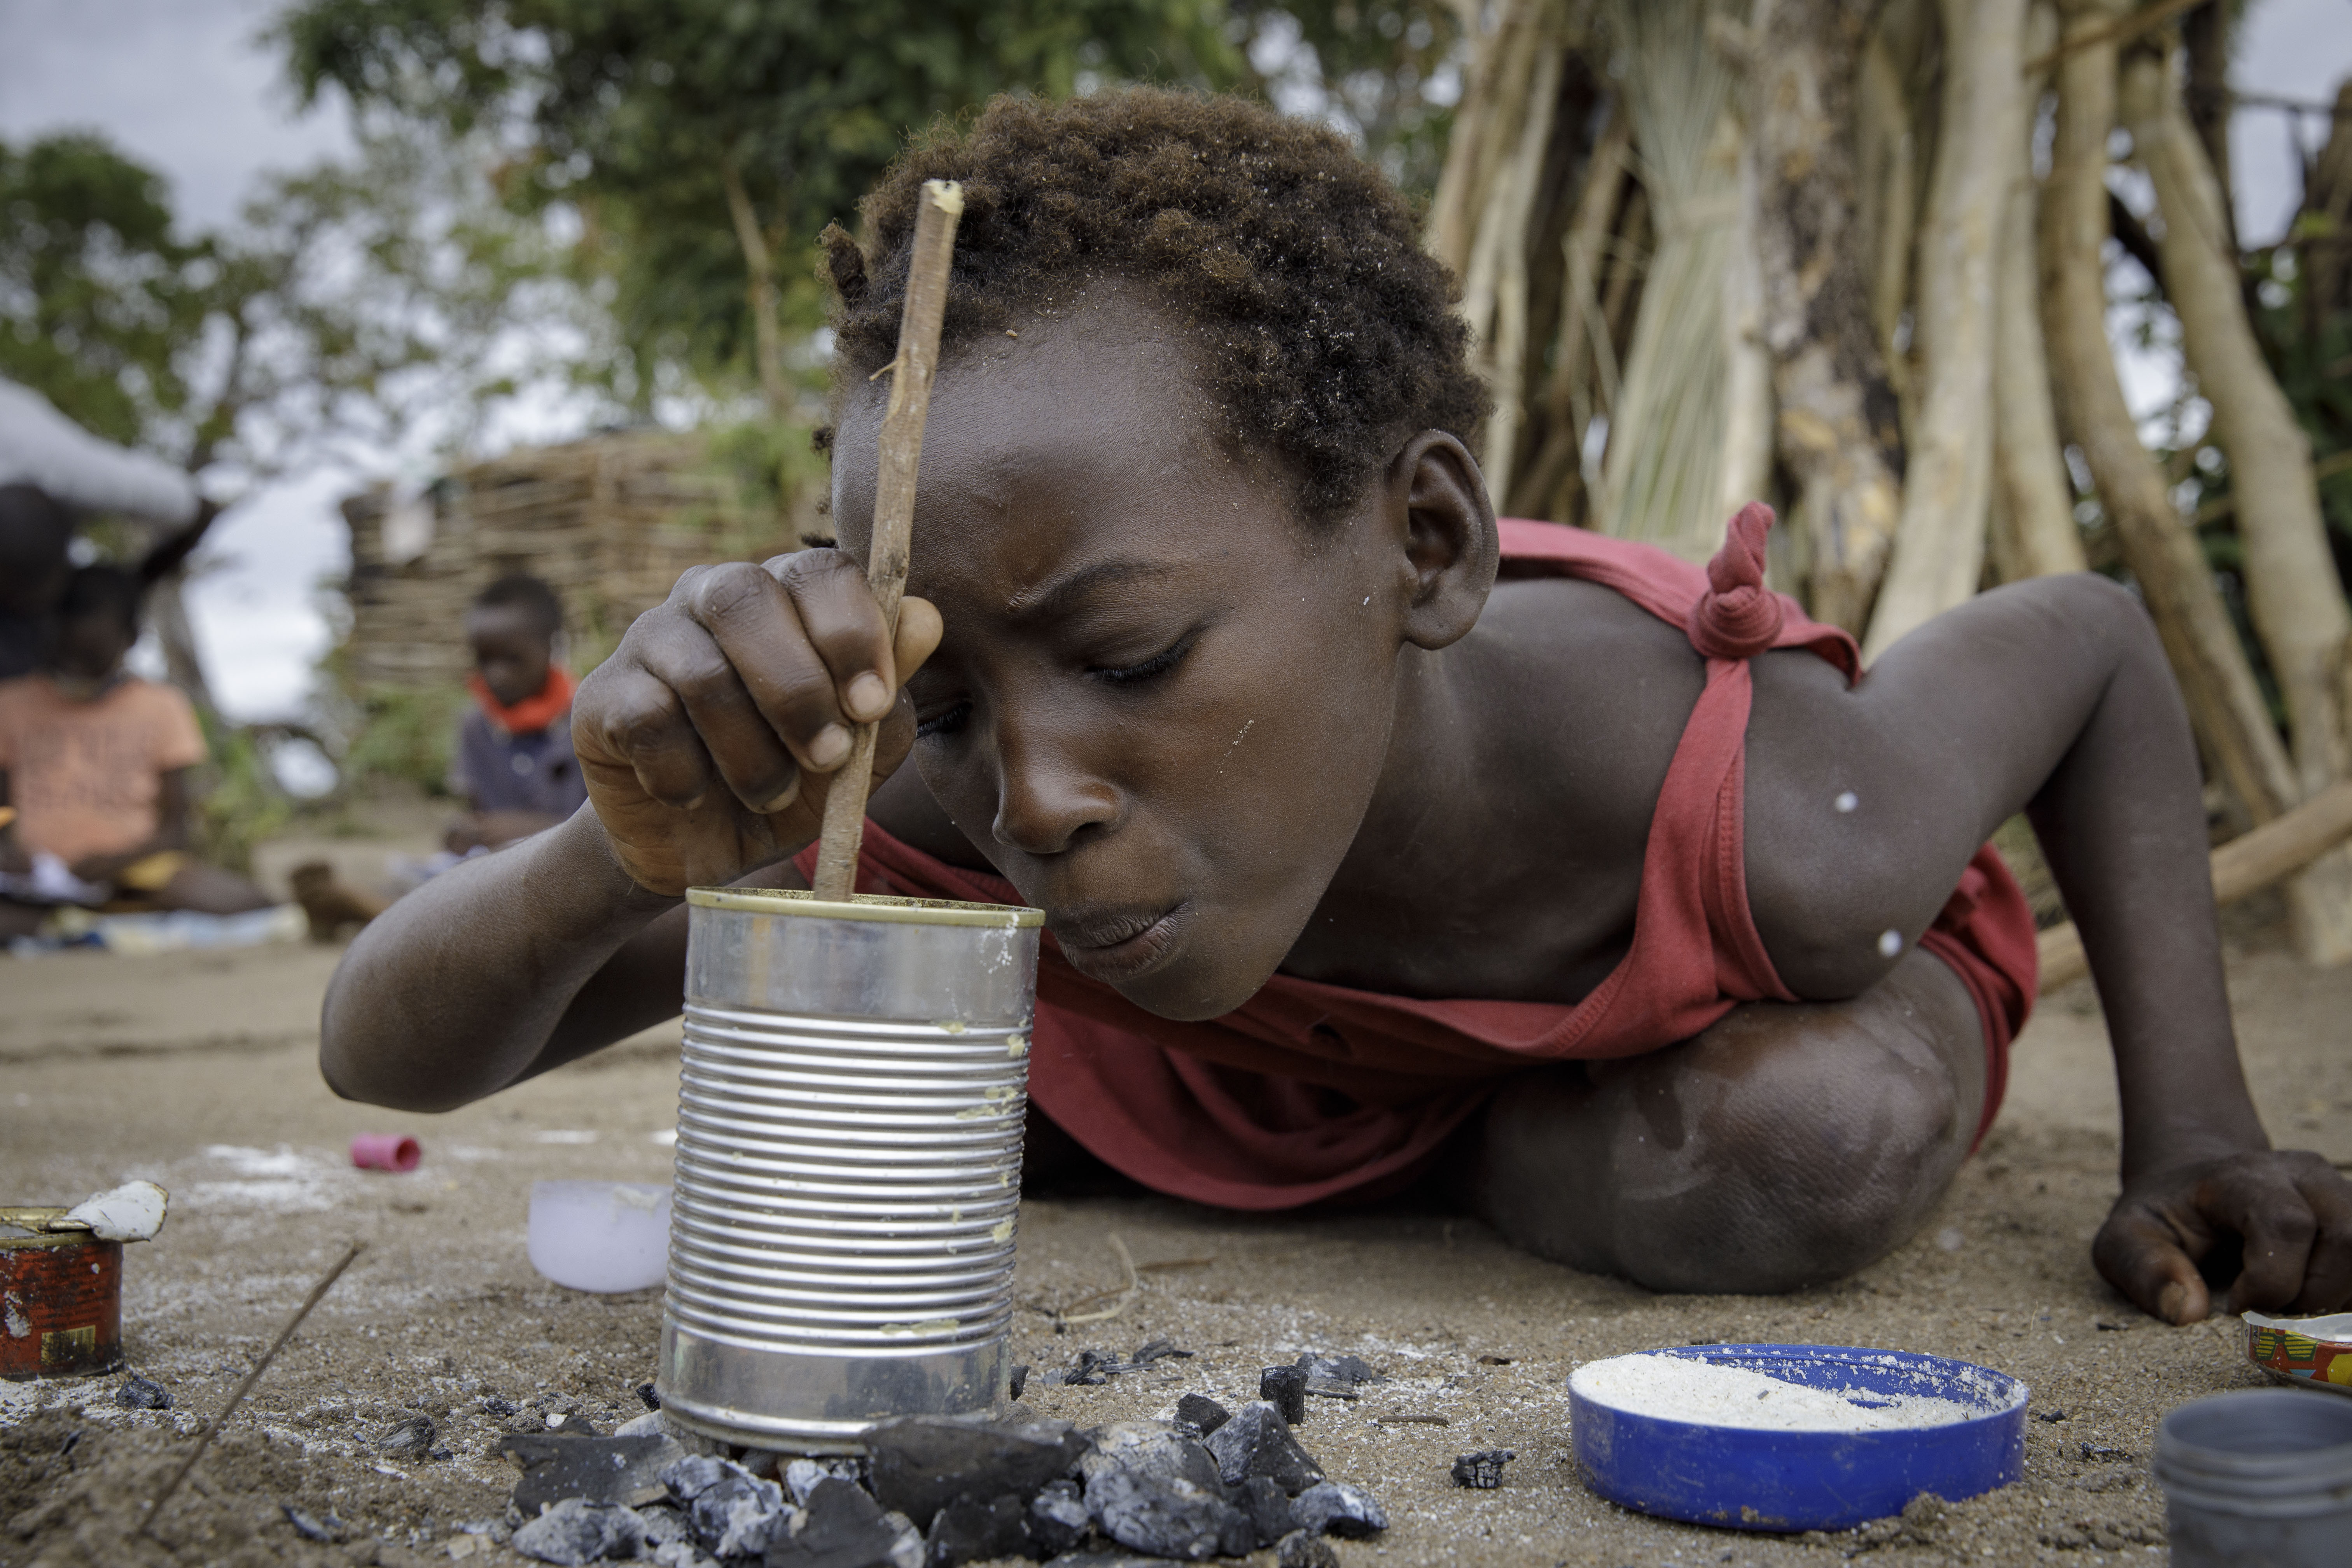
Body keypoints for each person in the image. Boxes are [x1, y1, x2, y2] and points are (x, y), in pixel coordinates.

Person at [319, 90, 2350, 1323]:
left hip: (1695, 1030)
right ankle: (1368, 1140)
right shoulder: (946, 787)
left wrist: (2193, 1134)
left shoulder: (1774, 814)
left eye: (1128, 663)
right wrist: (615, 849)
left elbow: (2087, 633)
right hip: (1230, 1038)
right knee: (886, 1076)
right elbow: (384, 1049)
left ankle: (1441, 1147)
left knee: (1816, 1141)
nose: (1032, 794)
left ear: (1433, 549)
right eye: (953, 696)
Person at [0, 563, 271, 939]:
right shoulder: (10, 705)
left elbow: (176, 827)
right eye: (66, 655)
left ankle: (81, 922)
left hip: (135, 872)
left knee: (243, 901)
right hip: (31, 880)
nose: (76, 668)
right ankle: (79, 922)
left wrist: (117, 863)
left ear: (129, 638)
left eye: (91, 656)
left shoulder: (161, 706)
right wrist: (9, 851)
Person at [444, 572, 588, 853]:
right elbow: (479, 815)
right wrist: (465, 832)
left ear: (551, 646)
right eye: (484, 660)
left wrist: (526, 828)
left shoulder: (586, 721)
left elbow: (610, 835)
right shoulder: (476, 728)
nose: (496, 675)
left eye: (513, 659)